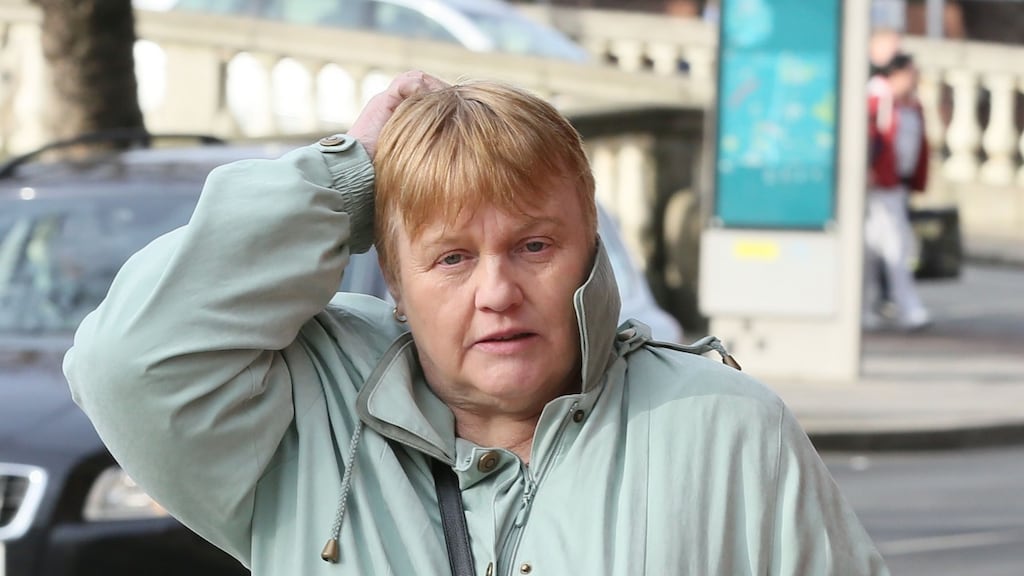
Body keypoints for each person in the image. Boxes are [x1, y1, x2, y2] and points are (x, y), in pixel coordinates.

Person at [64, 71, 889, 575]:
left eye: (533, 245)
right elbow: (127, 363)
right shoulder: (303, 417)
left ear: (589, 247)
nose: (497, 290)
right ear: (393, 279)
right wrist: (347, 172)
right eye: (451, 258)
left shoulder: (723, 427)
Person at [864, 50, 932, 331]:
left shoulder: (909, 105)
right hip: (879, 185)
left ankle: (870, 305)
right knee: (894, 246)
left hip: (897, 184)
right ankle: (908, 307)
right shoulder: (877, 100)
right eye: (911, 74)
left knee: (876, 248)